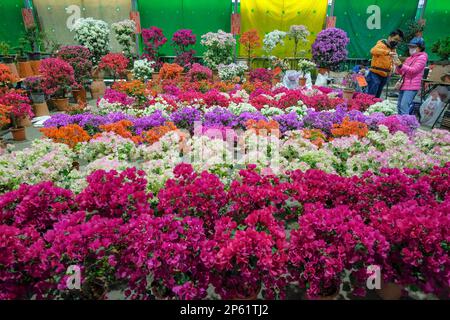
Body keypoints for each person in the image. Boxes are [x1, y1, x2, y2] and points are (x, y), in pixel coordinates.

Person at [394, 37, 428, 115]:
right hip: (404, 84)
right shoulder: (409, 58)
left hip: (412, 86)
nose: (411, 48)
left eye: (413, 47)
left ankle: (406, 125)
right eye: (410, 46)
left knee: (404, 106)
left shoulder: (422, 57)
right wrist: (397, 64)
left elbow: (414, 70)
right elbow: (401, 72)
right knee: (399, 106)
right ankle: (399, 124)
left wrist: (401, 65)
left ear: (420, 47)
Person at [367, 29, 404, 98]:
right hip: (375, 74)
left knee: (377, 97)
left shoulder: (393, 48)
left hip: (385, 76)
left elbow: (392, 60)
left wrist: (393, 68)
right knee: (371, 96)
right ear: (390, 37)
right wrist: (387, 53)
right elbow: (373, 50)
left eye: (399, 41)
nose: (397, 42)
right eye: (395, 39)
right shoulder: (381, 44)